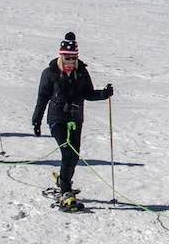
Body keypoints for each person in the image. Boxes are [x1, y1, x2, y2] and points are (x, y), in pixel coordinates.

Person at [30, 33, 113, 211]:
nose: (70, 61)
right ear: (61, 56)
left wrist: (103, 94)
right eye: (67, 57)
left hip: (76, 119)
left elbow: (88, 93)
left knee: (74, 156)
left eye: (74, 58)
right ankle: (65, 191)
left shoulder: (81, 72)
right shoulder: (50, 73)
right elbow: (42, 97)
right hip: (57, 119)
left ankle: (63, 180)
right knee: (67, 153)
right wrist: (36, 120)